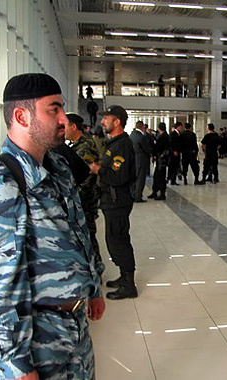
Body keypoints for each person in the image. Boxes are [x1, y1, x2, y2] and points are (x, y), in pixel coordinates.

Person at [0, 73, 105, 379]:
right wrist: (14, 365)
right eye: (54, 109)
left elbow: (79, 233)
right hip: (36, 345)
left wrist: (93, 286)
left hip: (74, 334)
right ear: (21, 116)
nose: (64, 119)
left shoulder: (58, 168)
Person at [89, 105, 138, 300]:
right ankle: (123, 277)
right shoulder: (114, 143)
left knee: (119, 241)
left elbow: (119, 178)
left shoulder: (122, 146)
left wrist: (98, 170)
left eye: (106, 118)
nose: (102, 121)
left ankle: (129, 285)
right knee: (114, 240)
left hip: (118, 200)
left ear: (117, 122)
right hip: (111, 199)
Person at [63, 113, 105, 276]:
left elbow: (87, 175)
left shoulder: (85, 145)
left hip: (85, 199)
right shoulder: (75, 145)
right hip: (81, 197)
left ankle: (97, 268)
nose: (63, 130)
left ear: (73, 127)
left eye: (65, 126)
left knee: (87, 233)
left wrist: (76, 196)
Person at [130, 120, 152, 202]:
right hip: (142, 160)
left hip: (134, 160)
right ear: (142, 126)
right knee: (140, 179)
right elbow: (146, 149)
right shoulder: (141, 137)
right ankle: (138, 196)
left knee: (134, 179)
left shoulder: (132, 135)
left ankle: (133, 194)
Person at [149, 122, 171, 200]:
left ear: (159, 128)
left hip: (161, 159)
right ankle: (155, 191)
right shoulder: (166, 136)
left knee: (160, 176)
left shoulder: (163, 137)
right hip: (163, 159)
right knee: (157, 175)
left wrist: (153, 153)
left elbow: (157, 147)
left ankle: (162, 193)